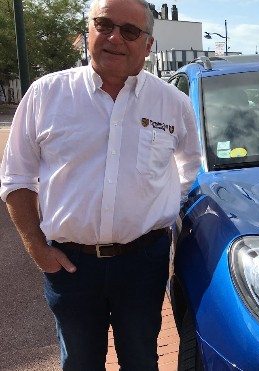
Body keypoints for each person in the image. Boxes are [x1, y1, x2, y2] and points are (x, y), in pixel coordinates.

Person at [0, 0, 201, 369]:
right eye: (104, 24)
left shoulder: (172, 103)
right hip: (70, 265)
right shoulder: (46, 95)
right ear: (88, 31)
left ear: (148, 45)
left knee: (141, 360)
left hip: (143, 263)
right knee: (79, 362)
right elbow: (16, 178)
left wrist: (171, 202)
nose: (114, 38)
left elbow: (190, 162)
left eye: (129, 31)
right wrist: (37, 249)